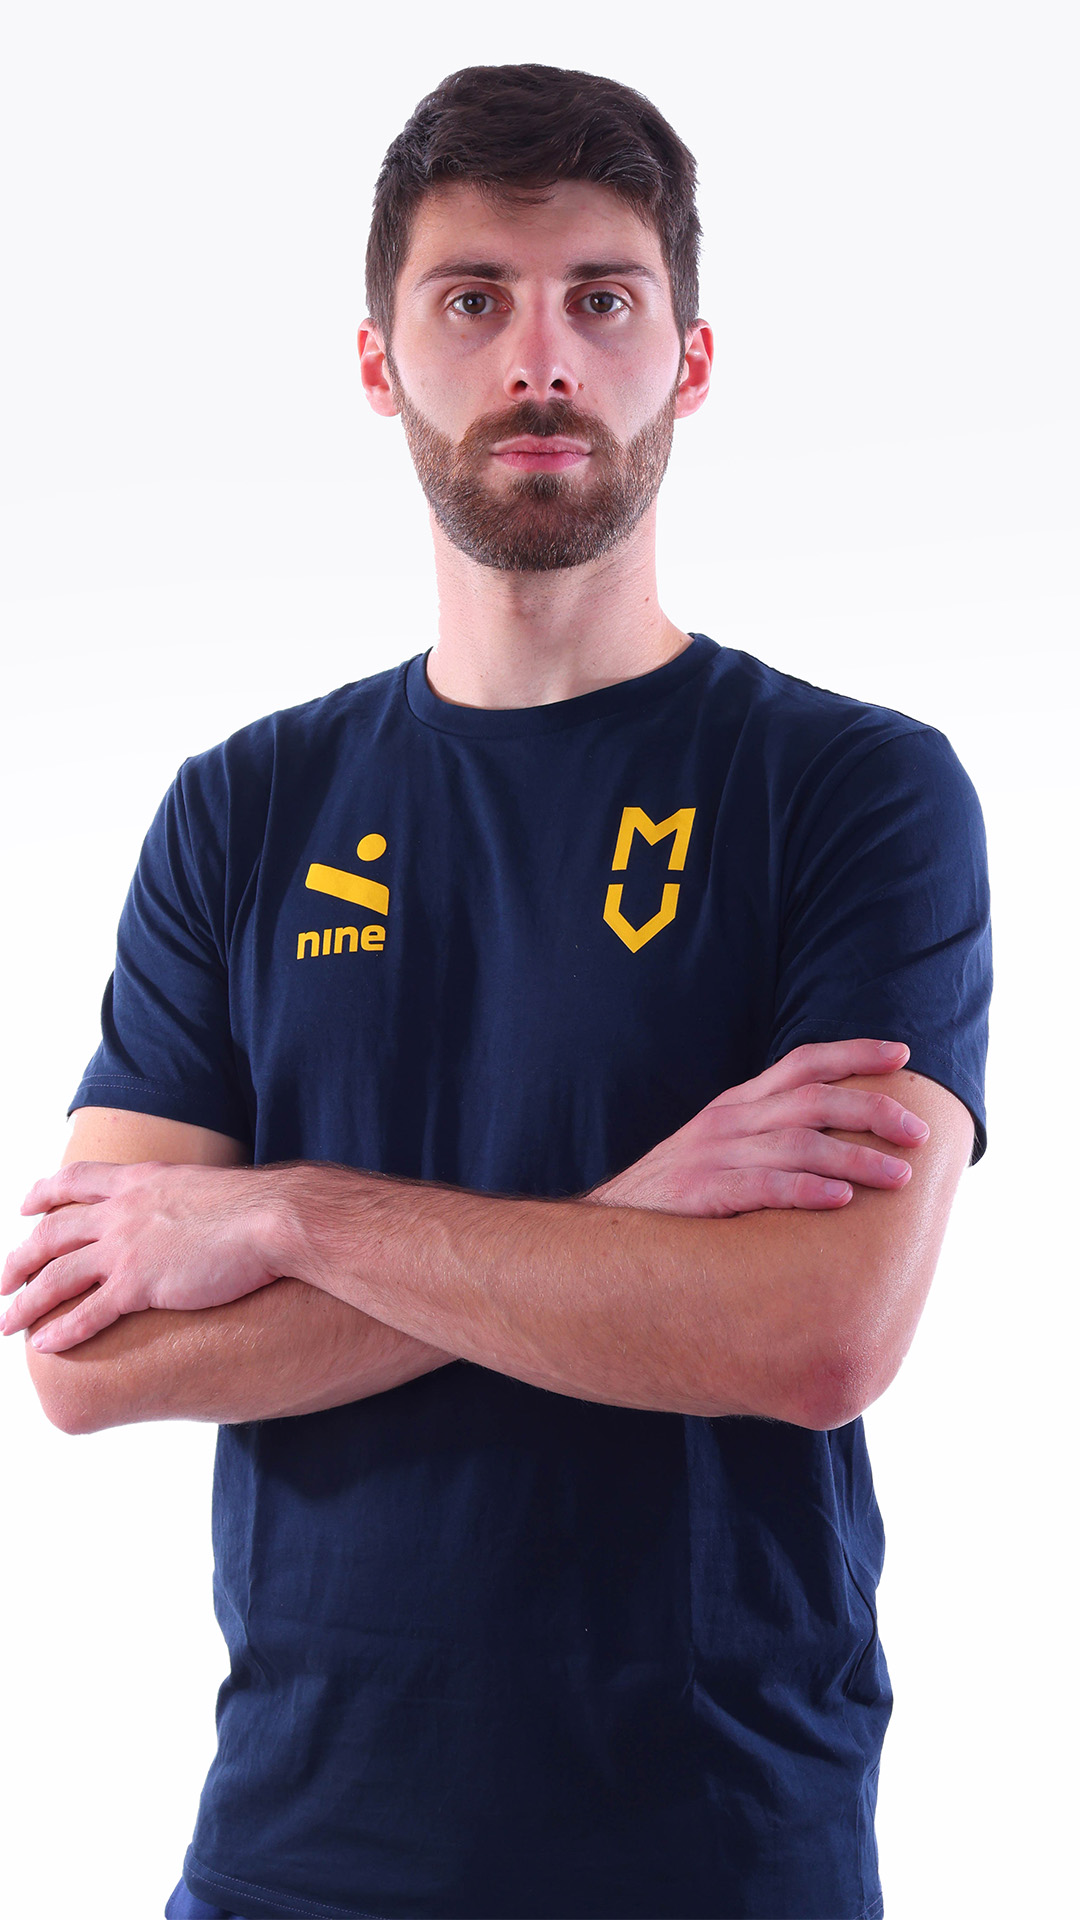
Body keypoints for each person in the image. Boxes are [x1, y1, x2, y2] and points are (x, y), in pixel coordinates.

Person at [0, 63, 990, 1920]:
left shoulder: (855, 793)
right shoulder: (245, 810)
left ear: (690, 360)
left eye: (603, 299)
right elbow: (83, 1354)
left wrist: (282, 1216)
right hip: (293, 1851)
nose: (541, 361)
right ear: (380, 361)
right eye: (474, 301)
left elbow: (819, 1334)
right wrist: (637, 1223)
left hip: (716, 1844)